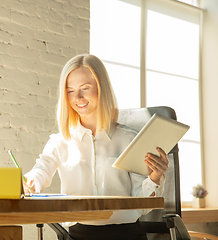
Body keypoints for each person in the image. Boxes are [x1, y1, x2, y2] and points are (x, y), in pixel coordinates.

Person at [23, 54, 169, 240]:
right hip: (80, 235)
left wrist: (155, 176)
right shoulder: (59, 142)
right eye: (70, 91)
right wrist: (29, 182)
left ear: (101, 89)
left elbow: (143, 204)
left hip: (127, 234)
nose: (78, 97)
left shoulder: (129, 138)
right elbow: (40, 172)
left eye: (85, 88)